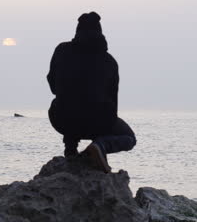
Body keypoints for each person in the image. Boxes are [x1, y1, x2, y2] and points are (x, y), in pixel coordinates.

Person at [47, 12, 136, 173]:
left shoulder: (61, 51)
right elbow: (112, 101)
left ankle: (71, 151)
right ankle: (100, 146)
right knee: (129, 138)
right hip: (98, 123)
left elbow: (53, 86)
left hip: (61, 118)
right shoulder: (109, 61)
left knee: (68, 103)